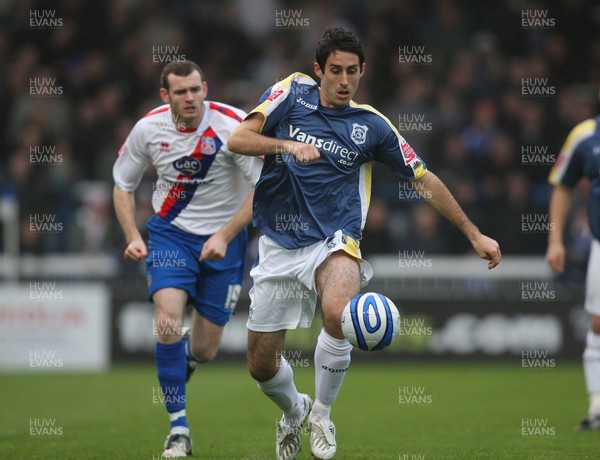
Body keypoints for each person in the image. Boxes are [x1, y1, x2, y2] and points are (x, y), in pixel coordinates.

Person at [227, 27, 501, 460]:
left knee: (340, 313)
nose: (343, 80)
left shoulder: (371, 124)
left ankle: (321, 413)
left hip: (336, 239)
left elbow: (423, 178)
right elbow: (238, 139)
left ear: (362, 72)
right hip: (279, 243)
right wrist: (287, 146)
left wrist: (473, 233)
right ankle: (293, 408)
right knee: (261, 366)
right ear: (318, 70)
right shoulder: (290, 92)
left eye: (352, 72)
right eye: (334, 70)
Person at [113, 60, 262, 458]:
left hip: (225, 241)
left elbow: (261, 190)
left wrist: (225, 234)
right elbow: (122, 184)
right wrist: (132, 235)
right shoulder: (148, 128)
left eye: (196, 89)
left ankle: (185, 364)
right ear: (166, 96)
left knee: (205, 350)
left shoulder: (233, 125)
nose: (191, 98)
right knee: (167, 323)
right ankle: (178, 429)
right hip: (170, 236)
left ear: (205, 88)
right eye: (181, 92)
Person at [546, 102, 600, 431]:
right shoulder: (585, 135)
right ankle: (597, 405)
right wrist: (555, 240)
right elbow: (562, 186)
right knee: (598, 325)